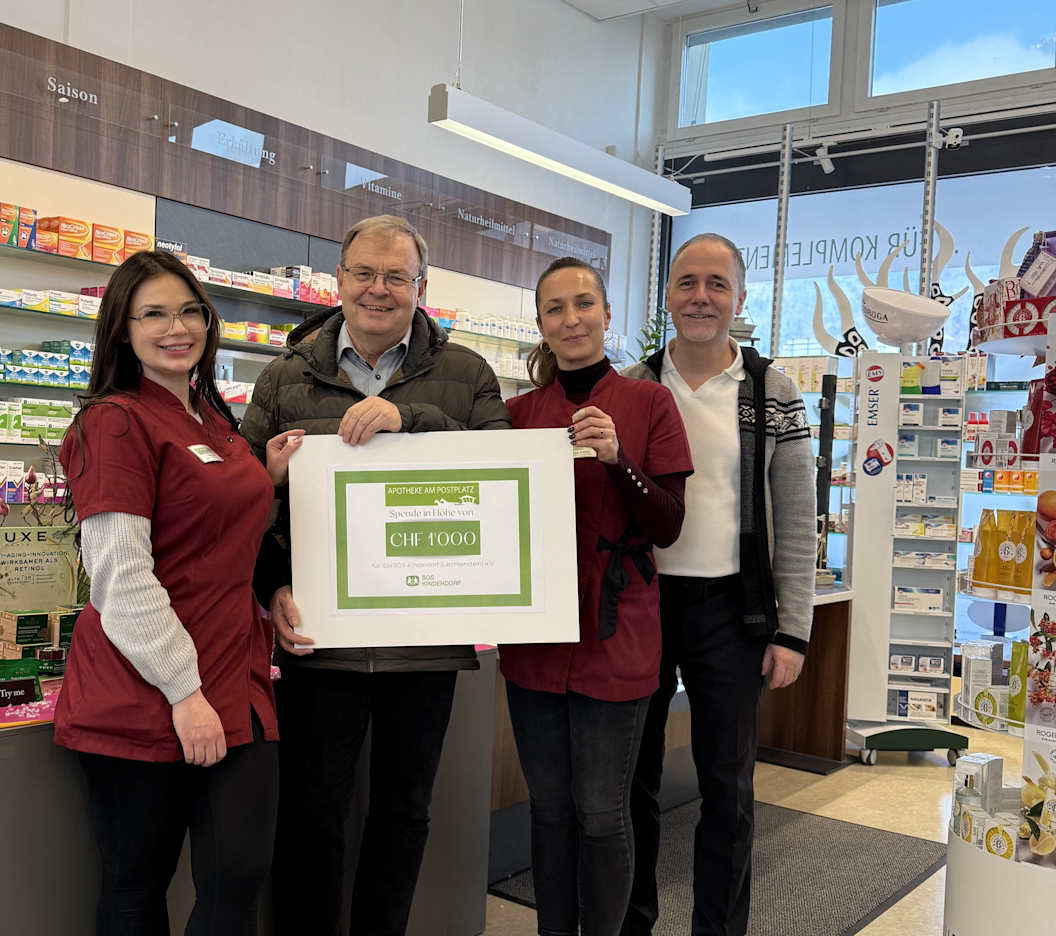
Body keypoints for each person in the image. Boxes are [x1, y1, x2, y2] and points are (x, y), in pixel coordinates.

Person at [240, 214, 511, 936]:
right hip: (319, 638)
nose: (379, 288)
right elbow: (243, 500)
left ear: (422, 288)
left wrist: (410, 419)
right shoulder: (286, 375)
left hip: (424, 638)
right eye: (365, 272)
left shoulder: (466, 375)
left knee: (402, 811)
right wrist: (274, 588)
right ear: (340, 279)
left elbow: (504, 475)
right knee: (312, 812)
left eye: (397, 275)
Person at [54, 250, 303, 936]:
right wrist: (183, 691)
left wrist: (265, 475)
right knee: (138, 886)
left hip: (235, 674)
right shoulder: (115, 422)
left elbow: (212, 519)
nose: (177, 326)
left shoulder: (209, 416)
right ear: (122, 329)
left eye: (189, 309)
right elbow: (121, 575)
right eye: (154, 313)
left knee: (240, 872)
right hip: (146, 686)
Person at [620, 233, 816, 936]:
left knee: (726, 789)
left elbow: (796, 517)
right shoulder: (634, 384)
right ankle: (631, 921)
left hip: (733, 611)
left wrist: (793, 629)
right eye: (686, 282)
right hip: (641, 606)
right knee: (630, 784)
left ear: (739, 297)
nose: (700, 296)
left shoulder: (771, 389)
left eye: (716, 284)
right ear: (668, 294)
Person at [501, 256, 693, 936]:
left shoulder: (648, 404)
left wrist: (619, 462)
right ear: (542, 324)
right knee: (549, 808)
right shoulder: (517, 415)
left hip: (618, 634)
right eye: (555, 307)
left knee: (601, 809)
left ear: (608, 315)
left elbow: (668, 524)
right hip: (535, 638)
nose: (572, 318)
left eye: (584, 303)